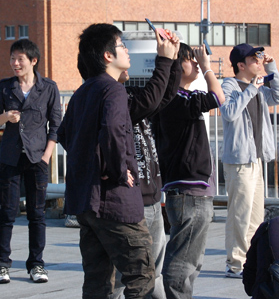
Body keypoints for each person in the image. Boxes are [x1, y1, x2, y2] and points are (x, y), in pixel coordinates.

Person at [58, 23, 155, 299]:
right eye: (122, 45)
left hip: (86, 202)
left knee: (97, 281)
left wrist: (92, 163)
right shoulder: (113, 90)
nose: (127, 50)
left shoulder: (82, 91)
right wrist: (116, 169)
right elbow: (112, 129)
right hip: (114, 201)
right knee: (141, 275)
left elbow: (64, 134)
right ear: (107, 56)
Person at [103, 30, 182, 299]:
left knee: (152, 270)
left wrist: (174, 56)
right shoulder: (114, 100)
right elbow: (152, 98)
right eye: (121, 47)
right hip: (129, 200)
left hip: (151, 198)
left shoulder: (132, 96)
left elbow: (165, 95)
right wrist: (164, 60)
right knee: (127, 274)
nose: (127, 53)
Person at [153, 44, 225, 299]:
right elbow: (218, 97)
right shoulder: (176, 98)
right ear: (175, 65)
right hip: (188, 192)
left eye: (196, 60)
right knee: (184, 262)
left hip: (188, 192)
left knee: (190, 260)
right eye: (189, 60)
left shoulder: (175, 97)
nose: (195, 63)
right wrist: (207, 67)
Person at [0, 39, 61, 285]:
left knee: (37, 214)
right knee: (7, 212)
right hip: (10, 157)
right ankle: (1, 265)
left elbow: (56, 125)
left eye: (20, 59)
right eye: (12, 58)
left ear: (33, 61)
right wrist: (5, 117)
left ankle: (36, 264)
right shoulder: (5, 87)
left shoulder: (48, 87)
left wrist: (47, 154)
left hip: (38, 158)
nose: (15, 63)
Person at [220, 43, 279, 278]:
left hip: (255, 159)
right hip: (238, 161)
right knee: (240, 213)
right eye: (254, 59)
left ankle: (250, 262)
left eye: (259, 58)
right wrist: (250, 89)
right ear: (241, 65)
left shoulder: (257, 87)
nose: (259, 61)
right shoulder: (229, 85)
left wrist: (272, 68)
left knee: (256, 215)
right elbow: (228, 112)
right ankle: (235, 264)